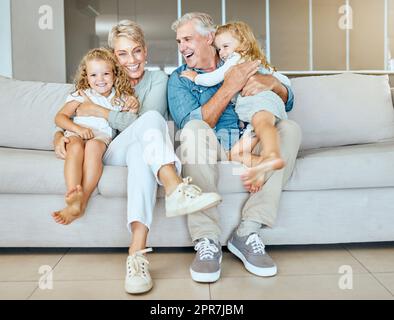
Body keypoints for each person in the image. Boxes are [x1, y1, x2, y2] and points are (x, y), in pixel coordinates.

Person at [53, 20, 221, 294]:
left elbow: (142, 124)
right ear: (113, 57)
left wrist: (102, 113)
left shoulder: (159, 80)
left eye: (137, 51)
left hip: (139, 149)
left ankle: (136, 255)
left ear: (146, 51)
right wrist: (59, 135)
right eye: (122, 54)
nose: (131, 60)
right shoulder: (103, 82)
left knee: (146, 139)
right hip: (109, 150)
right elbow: (72, 115)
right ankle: (174, 185)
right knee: (149, 123)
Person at [168, 13, 301, 282]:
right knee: (192, 131)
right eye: (179, 41)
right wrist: (229, 87)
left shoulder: (239, 59)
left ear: (209, 38)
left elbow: (287, 102)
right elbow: (194, 122)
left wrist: (273, 84)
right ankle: (207, 240)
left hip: (250, 140)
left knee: (290, 129)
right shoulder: (181, 78)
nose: (182, 47)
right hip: (216, 144)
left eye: (187, 39)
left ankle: (247, 232)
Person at [181, 21, 292, 193]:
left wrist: (195, 78)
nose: (222, 53)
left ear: (244, 45)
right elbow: (284, 80)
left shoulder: (236, 59)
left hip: (261, 102)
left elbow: (214, 78)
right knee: (237, 154)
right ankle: (263, 165)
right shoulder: (258, 62)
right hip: (252, 113)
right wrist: (276, 82)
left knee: (264, 125)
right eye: (220, 49)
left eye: (226, 46)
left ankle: (272, 154)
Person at [53, 48, 138, 225]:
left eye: (106, 74)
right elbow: (60, 118)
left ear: (115, 74)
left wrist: (133, 106)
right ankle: (72, 194)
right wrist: (76, 128)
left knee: (92, 147)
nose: (100, 80)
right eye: (94, 75)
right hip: (77, 130)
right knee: (75, 147)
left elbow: (130, 122)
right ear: (86, 77)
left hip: (101, 136)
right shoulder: (81, 94)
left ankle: (82, 199)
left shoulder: (120, 97)